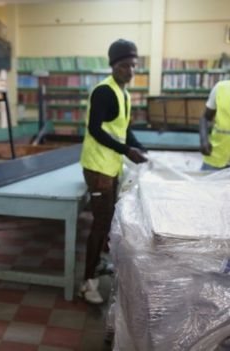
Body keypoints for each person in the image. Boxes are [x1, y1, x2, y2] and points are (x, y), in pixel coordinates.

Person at [79, 39, 148, 304]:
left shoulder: (124, 93)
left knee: (107, 221)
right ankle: (87, 284)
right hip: (98, 168)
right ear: (113, 66)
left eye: (133, 65)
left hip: (111, 165)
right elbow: (95, 130)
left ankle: (97, 265)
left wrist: (141, 147)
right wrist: (126, 151)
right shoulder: (104, 92)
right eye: (123, 66)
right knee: (100, 224)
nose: (130, 71)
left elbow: (122, 129)